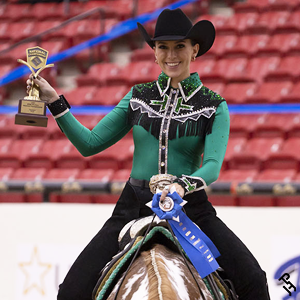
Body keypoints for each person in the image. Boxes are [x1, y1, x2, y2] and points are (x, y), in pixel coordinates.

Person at [27, 8, 270, 300]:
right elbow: (89, 144)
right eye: (162, 47)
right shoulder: (138, 96)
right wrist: (55, 101)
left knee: (254, 280)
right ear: (154, 53)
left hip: (190, 209)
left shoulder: (214, 105)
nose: (171, 55)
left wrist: (182, 185)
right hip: (133, 207)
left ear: (195, 50)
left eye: (180, 46)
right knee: (70, 292)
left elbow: (214, 166)